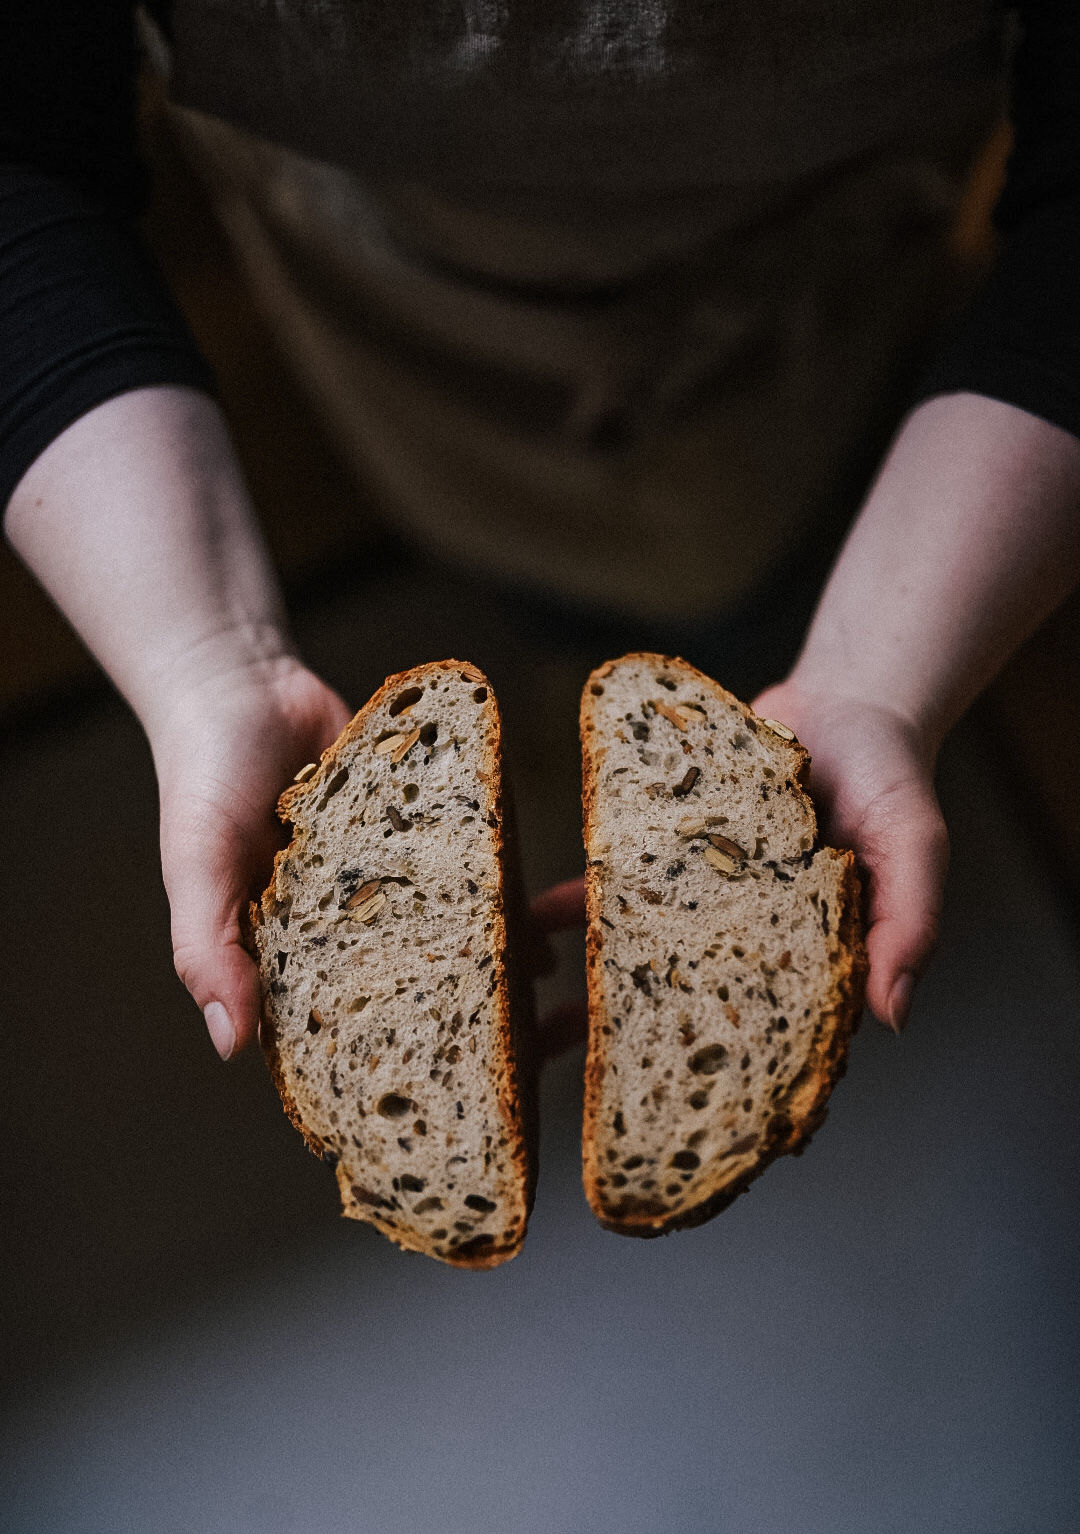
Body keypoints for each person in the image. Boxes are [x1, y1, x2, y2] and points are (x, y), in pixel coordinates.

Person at [2, 3, 1078, 1064]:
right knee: (529, 576)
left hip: (835, 382)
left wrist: (880, 677)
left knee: (761, 595)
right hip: (409, 374)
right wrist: (202, 658)